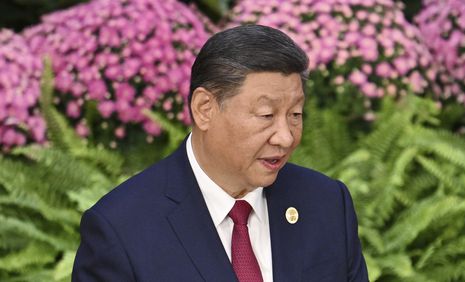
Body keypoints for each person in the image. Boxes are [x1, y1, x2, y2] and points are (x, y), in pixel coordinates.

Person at [72, 24, 368, 282]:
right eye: (266, 115)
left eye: (295, 114)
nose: (285, 136)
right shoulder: (121, 229)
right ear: (205, 109)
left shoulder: (327, 203)